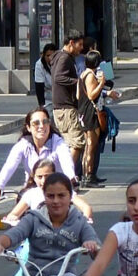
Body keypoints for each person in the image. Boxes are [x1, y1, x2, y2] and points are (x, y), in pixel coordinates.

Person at [0, 107, 79, 198]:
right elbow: (9, 165)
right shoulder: (23, 145)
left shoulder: (58, 143)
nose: (41, 126)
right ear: (29, 128)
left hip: (56, 192)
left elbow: (66, 160)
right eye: (36, 123)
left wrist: (71, 178)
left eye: (45, 122)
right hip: (32, 192)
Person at [3, 158, 93, 225]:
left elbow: (86, 207)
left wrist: (84, 220)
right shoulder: (31, 194)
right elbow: (14, 213)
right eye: (39, 177)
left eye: (47, 176)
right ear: (33, 177)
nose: (43, 181)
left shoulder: (64, 190)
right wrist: (13, 218)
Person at [50, 30, 86, 171]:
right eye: (80, 44)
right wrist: (78, 82)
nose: (81, 48)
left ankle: (60, 174)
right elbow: (59, 78)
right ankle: (66, 175)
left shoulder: (60, 57)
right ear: (71, 43)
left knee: (64, 144)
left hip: (61, 107)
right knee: (77, 142)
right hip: (66, 107)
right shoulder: (64, 58)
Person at [79, 50, 107, 186]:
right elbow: (91, 95)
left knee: (89, 145)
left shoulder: (83, 74)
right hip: (90, 112)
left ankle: (89, 175)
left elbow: (79, 95)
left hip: (83, 111)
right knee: (91, 145)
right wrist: (101, 84)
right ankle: (88, 176)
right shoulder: (90, 75)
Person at [34, 43, 57, 110]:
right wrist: (42, 105)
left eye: (52, 56)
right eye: (47, 55)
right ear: (44, 55)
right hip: (48, 98)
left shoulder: (61, 62)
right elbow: (39, 87)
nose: (50, 58)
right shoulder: (39, 65)